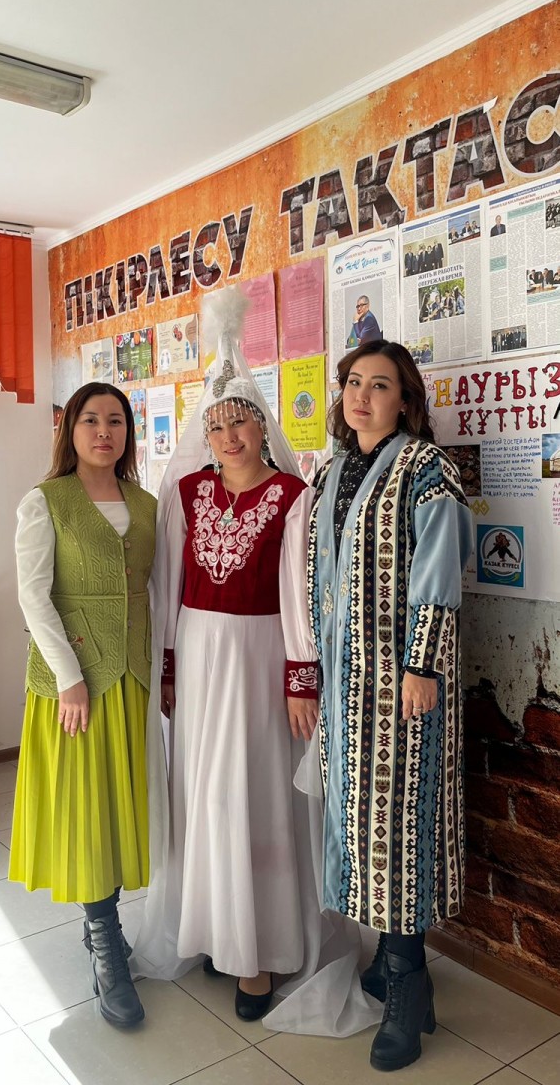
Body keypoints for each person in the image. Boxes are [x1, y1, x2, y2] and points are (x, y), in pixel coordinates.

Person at [132, 287, 379, 1037]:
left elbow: (302, 596)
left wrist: (301, 679)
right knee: (203, 795)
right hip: (198, 659)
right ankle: (213, 927)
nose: (228, 434)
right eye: (216, 424)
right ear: (203, 434)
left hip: (261, 656)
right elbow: (168, 585)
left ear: (260, 424)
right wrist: (167, 667)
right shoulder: (184, 493)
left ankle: (259, 950)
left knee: (254, 794)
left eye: (239, 420)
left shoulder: (291, 495)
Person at [308, 339, 473, 1072]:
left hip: (404, 681)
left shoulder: (427, 468)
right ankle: (388, 962)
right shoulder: (332, 471)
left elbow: (439, 570)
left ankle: (407, 982)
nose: (361, 396)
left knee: (402, 828)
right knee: (361, 825)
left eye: (379, 385)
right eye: (352, 382)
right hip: (345, 685)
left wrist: (422, 663)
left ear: (405, 400)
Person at [9, 382, 156, 1029]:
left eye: (116, 420)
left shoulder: (146, 504)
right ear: (69, 431)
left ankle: (106, 921)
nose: (104, 431)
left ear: (128, 432)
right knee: (88, 807)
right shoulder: (45, 502)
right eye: (91, 420)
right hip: (76, 685)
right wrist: (69, 678)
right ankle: (104, 942)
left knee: (120, 805)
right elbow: (33, 596)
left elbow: (154, 589)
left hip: (132, 677)